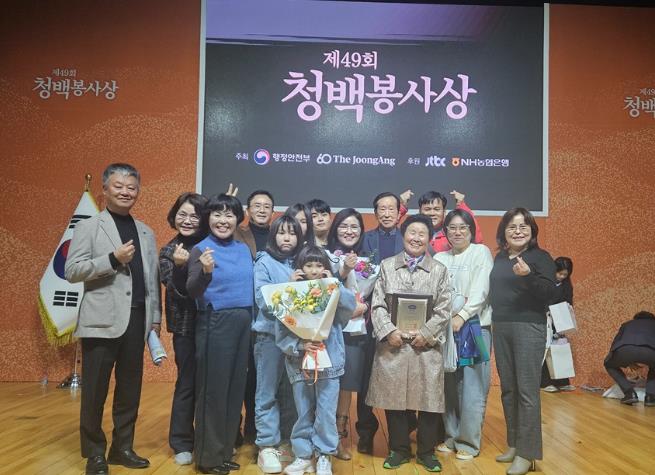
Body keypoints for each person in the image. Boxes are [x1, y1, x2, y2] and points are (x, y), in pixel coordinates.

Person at [64, 163, 161, 475]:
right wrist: (112, 259)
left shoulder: (146, 231)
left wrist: (155, 319)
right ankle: (94, 453)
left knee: (130, 390)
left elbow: (152, 278)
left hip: (137, 320)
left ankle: (122, 448)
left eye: (131, 187)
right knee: (94, 391)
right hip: (101, 321)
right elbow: (72, 271)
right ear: (104, 190)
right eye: (118, 186)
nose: (125, 192)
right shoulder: (89, 226)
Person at [366, 214, 451, 472]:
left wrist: (426, 333)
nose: (416, 238)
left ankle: (426, 452)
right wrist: (388, 331)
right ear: (404, 236)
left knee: (428, 401)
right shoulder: (387, 266)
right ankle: (399, 450)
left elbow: (444, 308)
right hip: (393, 345)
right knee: (394, 400)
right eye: (411, 232)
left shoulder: (439, 270)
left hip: (426, 346)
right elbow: (377, 304)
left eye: (422, 234)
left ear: (429, 239)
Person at [489, 208, 561, 475]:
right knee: (508, 389)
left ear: (532, 231)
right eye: (512, 226)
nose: (518, 231)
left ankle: (527, 453)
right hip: (501, 325)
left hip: (529, 326)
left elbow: (550, 294)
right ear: (504, 231)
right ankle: (514, 443)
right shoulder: (499, 258)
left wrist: (528, 275)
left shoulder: (541, 258)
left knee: (527, 391)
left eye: (523, 226)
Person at [186, 193, 253, 475]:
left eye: (229, 214)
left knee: (234, 390)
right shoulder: (200, 249)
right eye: (217, 214)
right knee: (213, 391)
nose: (223, 220)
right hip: (215, 322)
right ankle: (208, 458)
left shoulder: (243, 249)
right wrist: (205, 272)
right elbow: (192, 290)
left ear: (237, 219)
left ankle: (224, 452)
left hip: (244, 322)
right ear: (208, 218)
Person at [277, 245, 357, 475]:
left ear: (326, 268)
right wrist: (299, 345)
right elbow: (281, 331)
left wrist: (335, 283)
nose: (313, 270)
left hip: (329, 362)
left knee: (326, 412)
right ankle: (303, 455)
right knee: (302, 411)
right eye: (308, 265)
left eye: (319, 265)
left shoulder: (333, 289)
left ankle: (324, 455)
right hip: (299, 363)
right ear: (300, 268)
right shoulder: (289, 294)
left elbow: (348, 310)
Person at [435, 209, 493, 461]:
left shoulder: (481, 252)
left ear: (471, 230)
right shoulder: (440, 257)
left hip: (475, 328)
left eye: (463, 227)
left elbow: (481, 290)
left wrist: (462, 315)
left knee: (473, 386)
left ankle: (468, 443)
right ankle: (451, 436)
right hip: (446, 330)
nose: (457, 232)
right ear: (445, 232)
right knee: (448, 385)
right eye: (452, 228)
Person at [159, 192, 208, 466]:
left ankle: (213, 437)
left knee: (214, 381)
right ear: (174, 216)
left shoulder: (212, 245)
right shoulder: (169, 251)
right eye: (182, 214)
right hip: (186, 327)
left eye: (194, 216)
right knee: (187, 382)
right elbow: (177, 291)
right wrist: (180, 267)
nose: (187, 220)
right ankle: (181, 441)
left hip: (215, 325)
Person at [252, 215, 302, 474]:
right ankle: (266, 445)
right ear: (273, 236)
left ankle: (287, 441)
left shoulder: (302, 261)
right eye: (282, 232)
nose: (287, 238)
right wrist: (290, 287)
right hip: (269, 337)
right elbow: (263, 301)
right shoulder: (264, 262)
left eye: (292, 233)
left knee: (293, 393)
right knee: (267, 391)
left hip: (296, 338)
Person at [356, 192, 405, 454]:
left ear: (399, 212)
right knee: (365, 378)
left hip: (398, 320)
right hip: (368, 318)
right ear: (375, 213)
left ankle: (402, 431)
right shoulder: (366, 239)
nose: (386, 213)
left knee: (396, 376)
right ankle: (365, 432)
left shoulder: (407, 238)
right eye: (381, 209)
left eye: (391, 209)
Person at [325, 208, 370, 460]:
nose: (349, 231)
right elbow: (321, 289)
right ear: (336, 228)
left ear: (361, 231)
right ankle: (322, 437)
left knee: (347, 383)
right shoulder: (325, 256)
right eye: (344, 226)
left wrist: (364, 306)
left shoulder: (368, 259)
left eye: (354, 227)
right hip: (328, 330)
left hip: (355, 330)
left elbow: (374, 292)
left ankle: (338, 436)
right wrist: (342, 271)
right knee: (326, 383)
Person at [234, 189, 276, 445]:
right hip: (243, 310)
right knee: (242, 372)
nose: (261, 209)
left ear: (273, 211)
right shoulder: (236, 233)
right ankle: (235, 427)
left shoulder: (278, 235)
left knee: (262, 375)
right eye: (256, 205)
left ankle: (255, 426)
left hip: (269, 317)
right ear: (247, 210)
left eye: (266, 206)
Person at [398, 189, 483, 253]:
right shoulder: (412, 232)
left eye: (436, 209)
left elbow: (475, 239)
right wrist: (402, 206)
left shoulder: (451, 233)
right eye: (427, 209)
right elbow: (391, 227)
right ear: (420, 212)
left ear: (444, 212)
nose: (432, 213)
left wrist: (461, 205)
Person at [604, 311, 655, 406]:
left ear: (636, 318)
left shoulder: (627, 324)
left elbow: (615, 343)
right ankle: (651, 397)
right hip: (651, 351)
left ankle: (629, 393)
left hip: (625, 350)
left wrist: (628, 361)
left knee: (608, 364)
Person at [541, 256, 575, 393]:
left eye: (564, 275)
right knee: (546, 350)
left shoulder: (566, 286)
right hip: (544, 320)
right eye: (559, 273)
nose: (561, 277)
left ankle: (562, 381)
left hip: (559, 322)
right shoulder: (546, 283)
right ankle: (545, 382)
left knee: (560, 350)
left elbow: (569, 303)